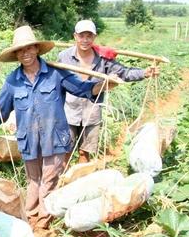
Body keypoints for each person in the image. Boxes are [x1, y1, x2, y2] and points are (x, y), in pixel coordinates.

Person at [0, 26, 118, 229]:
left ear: (37, 49)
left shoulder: (55, 73)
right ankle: (30, 215)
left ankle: (43, 220)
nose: (26, 54)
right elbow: (2, 106)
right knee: (34, 180)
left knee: (49, 179)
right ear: (16, 55)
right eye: (21, 51)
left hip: (54, 137)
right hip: (28, 139)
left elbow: (82, 89)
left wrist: (102, 85)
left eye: (29, 49)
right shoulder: (13, 80)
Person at [59, 20, 160, 163]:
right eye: (82, 36)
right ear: (75, 36)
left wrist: (145, 72)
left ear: (94, 37)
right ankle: (62, 182)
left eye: (89, 36)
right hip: (69, 112)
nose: (85, 40)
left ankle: (81, 182)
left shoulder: (103, 59)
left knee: (84, 152)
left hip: (92, 112)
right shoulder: (64, 57)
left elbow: (124, 73)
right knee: (65, 152)